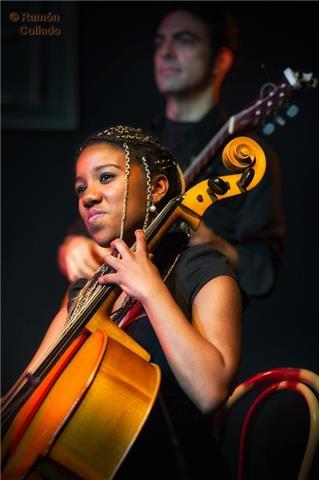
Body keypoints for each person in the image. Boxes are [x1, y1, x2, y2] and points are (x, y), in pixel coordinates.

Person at [12, 126, 243, 479]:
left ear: (158, 188)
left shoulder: (202, 269)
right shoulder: (83, 292)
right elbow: (29, 388)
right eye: (80, 188)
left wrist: (150, 291)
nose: (88, 196)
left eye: (105, 177)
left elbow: (210, 390)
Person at [57, 6, 285, 298]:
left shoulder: (246, 157)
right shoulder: (132, 148)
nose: (166, 52)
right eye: (160, 42)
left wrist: (209, 241)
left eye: (184, 40)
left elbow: (261, 273)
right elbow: (87, 225)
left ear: (221, 59)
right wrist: (72, 247)